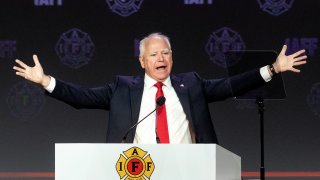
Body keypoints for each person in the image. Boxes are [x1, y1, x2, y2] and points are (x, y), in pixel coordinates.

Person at [13, 32, 307, 144]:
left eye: (165, 52)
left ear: (172, 57)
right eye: (153, 54)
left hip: (190, 171)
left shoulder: (190, 84)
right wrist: (45, 81)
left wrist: (272, 69)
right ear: (142, 61)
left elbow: (230, 85)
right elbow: (81, 98)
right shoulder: (122, 88)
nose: (161, 58)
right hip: (138, 171)